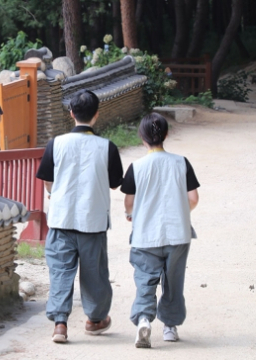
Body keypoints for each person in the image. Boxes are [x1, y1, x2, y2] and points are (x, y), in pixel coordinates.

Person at [36, 90, 123, 344]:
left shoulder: (56, 143)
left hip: (61, 219)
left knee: (61, 271)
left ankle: (60, 325)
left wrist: (58, 193)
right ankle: (95, 320)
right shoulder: (107, 147)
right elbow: (115, 183)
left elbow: (49, 183)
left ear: (71, 113)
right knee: (94, 272)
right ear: (97, 114)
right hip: (92, 220)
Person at [121, 113, 200, 348]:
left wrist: (130, 215)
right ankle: (170, 327)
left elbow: (129, 202)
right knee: (174, 280)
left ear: (142, 137)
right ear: (166, 135)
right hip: (178, 234)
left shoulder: (136, 167)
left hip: (145, 235)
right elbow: (193, 198)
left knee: (145, 279)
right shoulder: (181, 162)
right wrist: (181, 212)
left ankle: (144, 319)